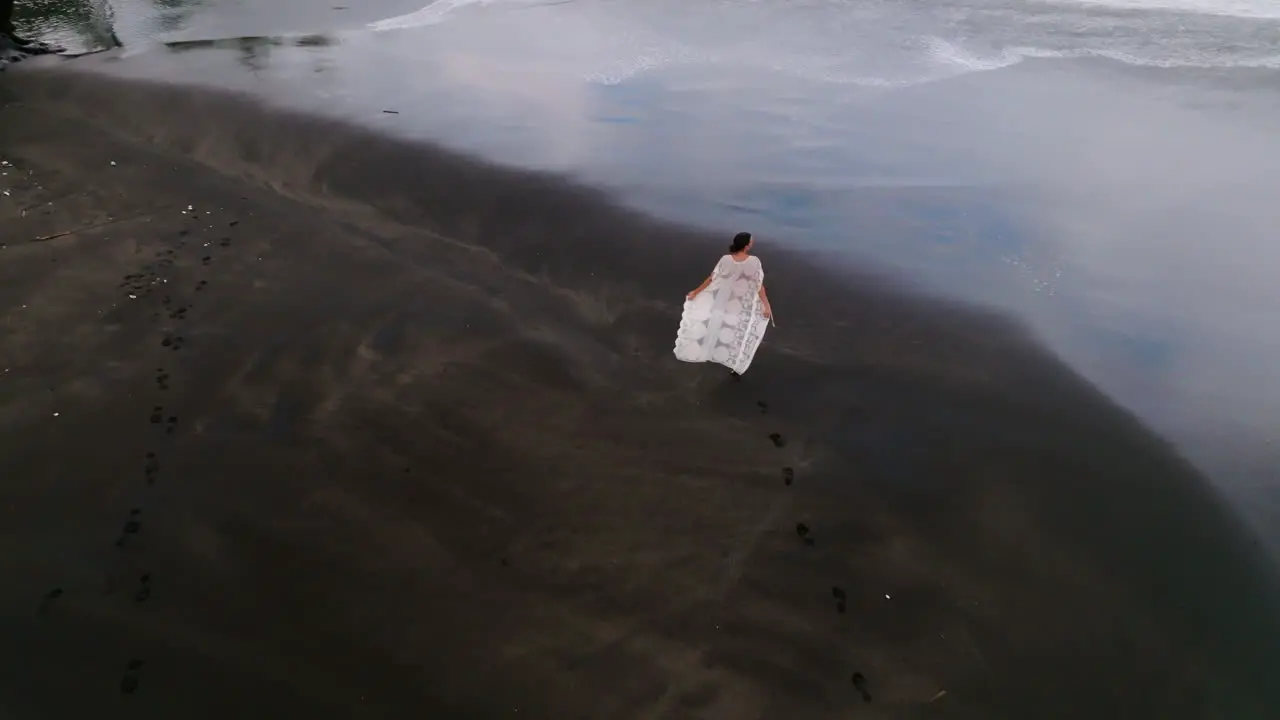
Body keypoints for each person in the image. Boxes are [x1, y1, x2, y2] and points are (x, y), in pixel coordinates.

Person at [673, 231, 773, 376]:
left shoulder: (725, 259)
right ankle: (734, 363)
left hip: (721, 300)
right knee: (736, 331)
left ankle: (708, 353)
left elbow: (712, 278)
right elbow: (758, 286)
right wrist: (766, 305)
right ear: (746, 245)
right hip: (737, 303)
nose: (753, 243)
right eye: (751, 241)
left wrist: (696, 291)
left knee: (717, 327)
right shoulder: (754, 262)